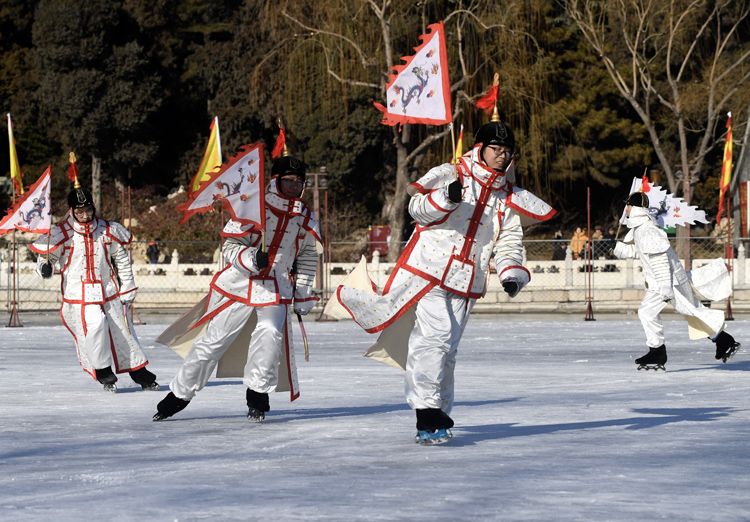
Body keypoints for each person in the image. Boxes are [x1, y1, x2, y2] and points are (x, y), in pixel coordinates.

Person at [336, 114, 555, 444]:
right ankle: (426, 412)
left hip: (468, 283)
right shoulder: (450, 174)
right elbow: (417, 209)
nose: (502, 155)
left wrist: (511, 272)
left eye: (507, 150)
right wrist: (447, 198)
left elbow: (509, 240)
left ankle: (437, 414)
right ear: (479, 148)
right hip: (430, 272)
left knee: (447, 351)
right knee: (434, 341)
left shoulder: (506, 197)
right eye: (495, 148)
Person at [153, 154, 321, 422]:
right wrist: (251, 258)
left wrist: (302, 292)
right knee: (213, 342)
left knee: (269, 335)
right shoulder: (252, 206)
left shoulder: (305, 216)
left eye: (299, 183)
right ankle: (178, 395)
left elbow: (308, 256)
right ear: (276, 180)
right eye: (289, 181)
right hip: (240, 284)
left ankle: (257, 395)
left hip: (275, 287)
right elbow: (230, 247)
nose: (294, 187)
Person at [30, 183, 159, 392]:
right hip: (79, 294)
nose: (84, 215)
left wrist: (128, 285)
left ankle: (140, 374)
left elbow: (121, 259)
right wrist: (44, 267)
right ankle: (103, 371)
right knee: (96, 325)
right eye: (79, 211)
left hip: (108, 291)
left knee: (123, 332)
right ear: (72, 211)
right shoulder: (62, 232)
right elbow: (47, 258)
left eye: (88, 210)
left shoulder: (108, 229)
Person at [613, 191, 740, 370]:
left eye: (628, 204)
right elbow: (642, 254)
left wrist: (665, 287)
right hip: (662, 282)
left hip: (668, 283)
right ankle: (721, 341)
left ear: (635, 208)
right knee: (677, 311)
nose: (626, 208)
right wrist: (620, 249)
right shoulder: (641, 229)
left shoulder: (647, 230)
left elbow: (661, 262)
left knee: (687, 311)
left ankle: (721, 341)